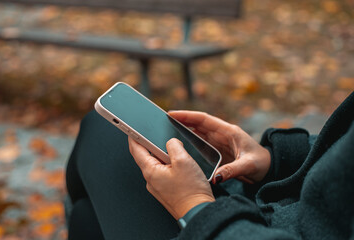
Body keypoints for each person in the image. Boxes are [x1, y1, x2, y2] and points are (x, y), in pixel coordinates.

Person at [65, 91, 354, 240]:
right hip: (284, 208)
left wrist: (196, 207)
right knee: (85, 217)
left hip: (238, 230)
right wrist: (278, 161)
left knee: (105, 132)